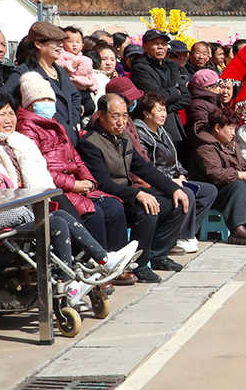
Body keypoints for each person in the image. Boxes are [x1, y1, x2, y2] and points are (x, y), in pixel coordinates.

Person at [0, 95, 136, 300]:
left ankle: (100, 261)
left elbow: (55, 172)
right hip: (8, 217)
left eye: (11, 113)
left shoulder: (21, 143)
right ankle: (71, 280)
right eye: (2, 114)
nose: (9, 119)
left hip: (32, 205)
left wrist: (86, 181)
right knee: (60, 220)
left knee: (68, 213)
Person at [76, 93, 190, 283]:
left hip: (128, 191)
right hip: (110, 195)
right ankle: (139, 265)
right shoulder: (90, 143)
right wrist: (138, 193)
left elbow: (144, 169)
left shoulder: (124, 138)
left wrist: (173, 189)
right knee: (147, 210)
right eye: (115, 116)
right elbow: (103, 183)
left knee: (176, 202)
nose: (121, 122)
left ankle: (158, 255)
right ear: (101, 115)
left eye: (124, 115)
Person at [15, 74, 129, 259]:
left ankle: (117, 260)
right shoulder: (27, 128)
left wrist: (88, 180)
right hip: (59, 189)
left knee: (114, 206)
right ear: (30, 105)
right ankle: (98, 261)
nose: (48, 104)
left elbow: (75, 158)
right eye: (42, 100)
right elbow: (38, 170)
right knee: (94, 213)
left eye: (50, 100)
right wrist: (73, 184)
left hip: (76, 185)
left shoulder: (55, 125)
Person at [134, 92, 216, 252]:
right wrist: (171, 181)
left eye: (164, 110)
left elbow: (174, 158)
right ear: (146, 113)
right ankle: (177, 238)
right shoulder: (140, 134)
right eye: (159, 110)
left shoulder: (163, 132)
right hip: (157, 182)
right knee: (187, 193)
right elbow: (147, 167)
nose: (163, 114)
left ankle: (187, 232)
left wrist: (181, 174)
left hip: (174, 178)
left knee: (209, 191)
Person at [187, 112, 246, 241]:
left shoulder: (232, 144)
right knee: (238, 185)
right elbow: (214, 173)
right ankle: (237, 228)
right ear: (217, 128)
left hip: (228, 185)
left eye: (235, 129)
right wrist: (240, 174)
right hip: (214, 190)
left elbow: (240, 164)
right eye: (231, 129)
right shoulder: (205, 147)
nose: (234, 133)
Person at [3, 21, 88, 142]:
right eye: (55, 42)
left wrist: (72, 122)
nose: (60, 46)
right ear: (38, 44)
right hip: (44, 139)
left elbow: (75, 96)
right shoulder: (24, 71)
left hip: (68, 137)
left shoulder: (60, 71)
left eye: (61, 42)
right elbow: (3, 99)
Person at [128, 29, 189, 142]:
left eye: (164, 44)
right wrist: (175, 92)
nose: (160, 47)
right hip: (150, 124)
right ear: (145, 46)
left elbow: (185, 97)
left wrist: (165, 109)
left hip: (173, 123)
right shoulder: (140, 67)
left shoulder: (171, 66)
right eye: (156, 44)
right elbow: (153, 97)